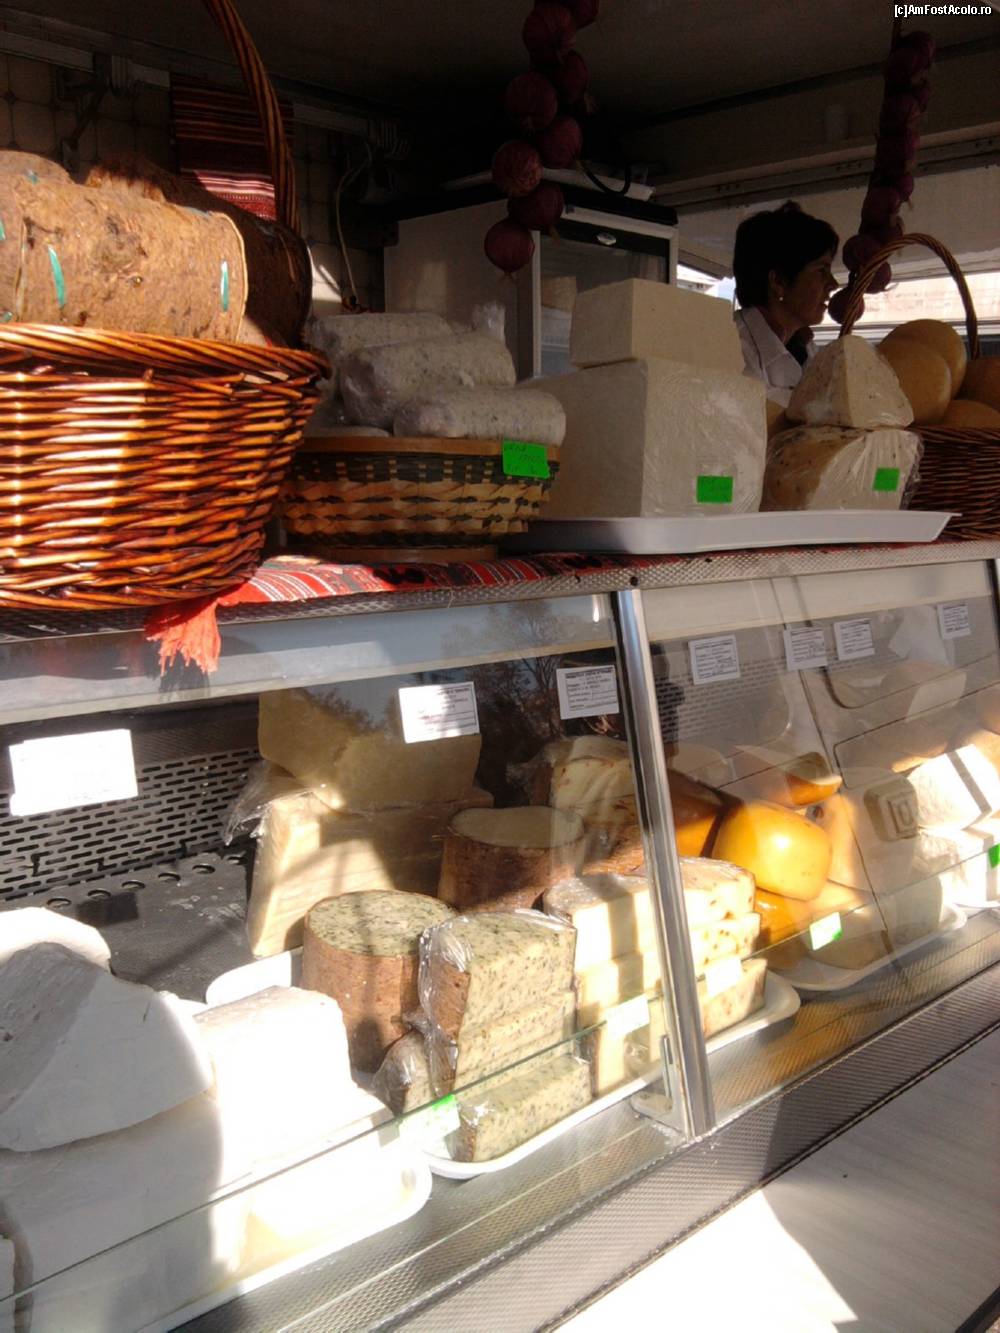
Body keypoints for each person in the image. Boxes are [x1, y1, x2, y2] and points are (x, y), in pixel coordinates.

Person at [732, 202, 840, 404]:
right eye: (821, 270)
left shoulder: (806, 348)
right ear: (779, 282)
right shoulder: (731, 349)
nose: (833, 284)